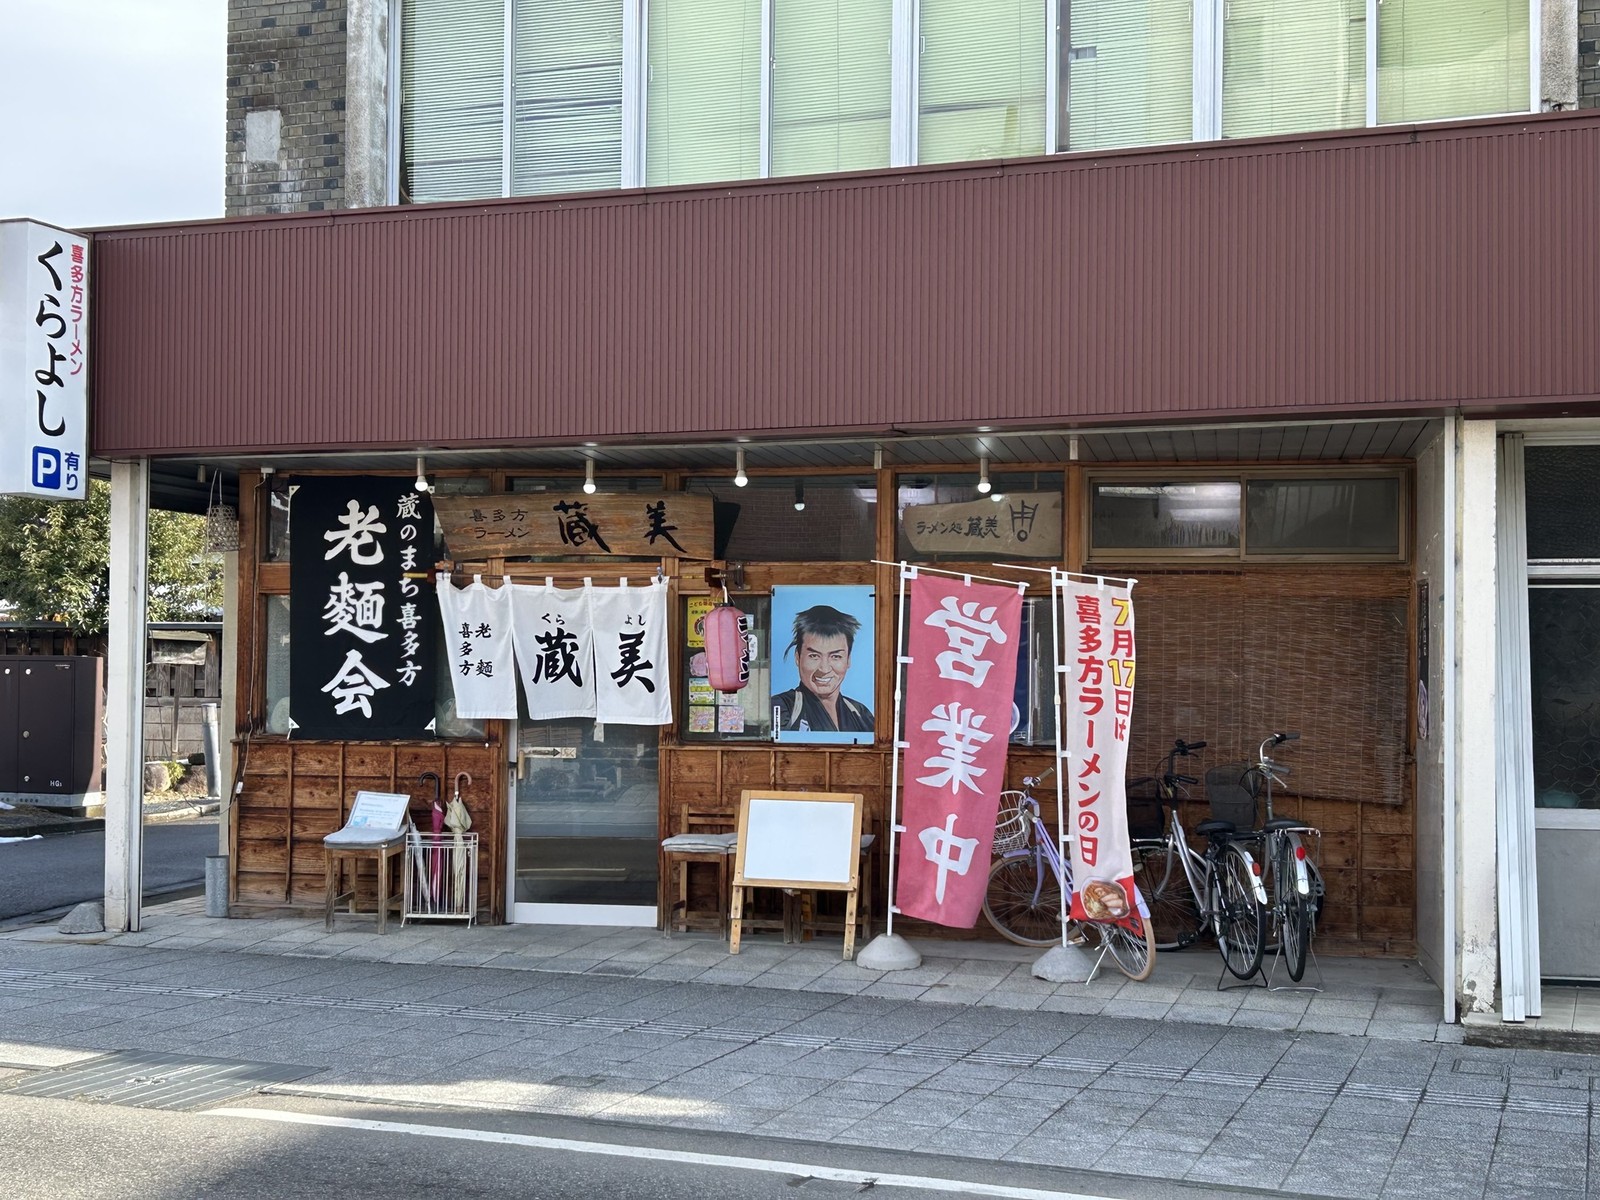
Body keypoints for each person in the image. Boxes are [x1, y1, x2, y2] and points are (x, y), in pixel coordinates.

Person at [772, 605, 873, 734]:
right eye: (814, 656)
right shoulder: (783, 708)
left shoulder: (860, 714)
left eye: (836, 656)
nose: (824, 669)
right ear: (797, 657)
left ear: (848, 660)